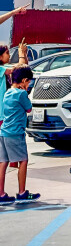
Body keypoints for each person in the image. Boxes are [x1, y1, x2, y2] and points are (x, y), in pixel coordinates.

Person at [0, 66, 39, 204]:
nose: (28, 85)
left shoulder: (8, 93)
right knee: (23, 161)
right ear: (23, 80)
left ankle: (1, 193)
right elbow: (28, 108)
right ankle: (22, 192)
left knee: (3, 162)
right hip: (15, 133)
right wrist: (26, 92)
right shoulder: (21, 94)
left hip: (3, 132)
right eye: (28, 82)